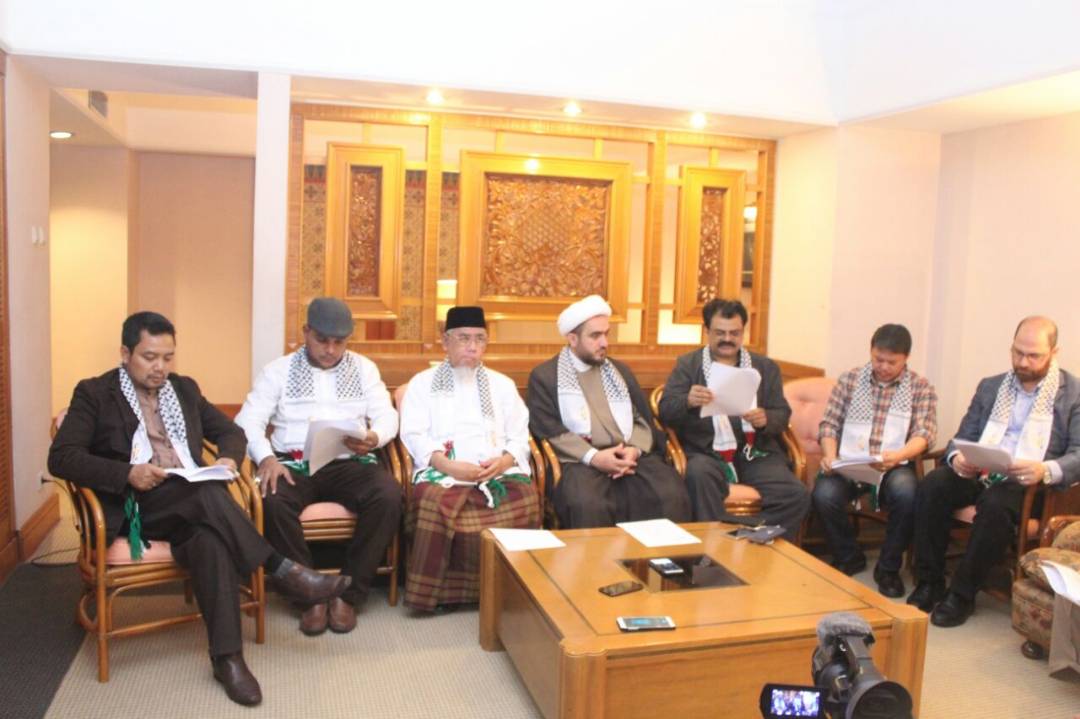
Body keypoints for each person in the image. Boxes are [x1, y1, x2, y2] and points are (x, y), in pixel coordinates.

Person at [48, 312, 350, 706]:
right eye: (149, 357)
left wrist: (227, 458)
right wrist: (128, 473)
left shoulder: (184, 389)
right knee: (207, 497)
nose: (160, 368)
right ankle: (280, 568)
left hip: (193, 506)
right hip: (136, 505)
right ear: (125, 353)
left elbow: (230, 431)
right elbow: (63, 457)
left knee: (211, 539)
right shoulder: (94, 393)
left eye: (167, 357)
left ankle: (228, 659)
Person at [235, 297, 401, 636]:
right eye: (322, 340)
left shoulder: (364, 369)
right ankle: (309, 597)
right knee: (272, 500)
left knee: (388, 495)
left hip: (348, 462)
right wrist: (266, 458)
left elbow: (387, 415)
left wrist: (374, 437)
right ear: (306, 332)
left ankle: (348, 595)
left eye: (339, 342)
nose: (330, 350)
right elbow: (247, 421)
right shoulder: (277, 371)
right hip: (294, 464)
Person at [910, 316, 1080, 626]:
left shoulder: (1073, 394)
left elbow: (1078, 453)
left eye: (1033, 355)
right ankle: (929, 581)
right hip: (983, 472)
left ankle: (961, 594)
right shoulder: (991, 386)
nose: (1023, 362)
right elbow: (961, 438)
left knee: (996, 503)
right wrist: (958, 458)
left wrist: (1045, 469)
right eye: (1018, 352)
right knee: (934, 484)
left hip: (1031, 485)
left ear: (1054, 353)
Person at [398, 306, 540, 611]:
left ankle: (513, 589)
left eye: (480, 339)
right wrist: (447, 465)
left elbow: (519, 435)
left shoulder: (502, 385)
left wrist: (505, 461)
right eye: (464, 338)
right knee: (431, 502)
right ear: (445, 341)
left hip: (495, 472)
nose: (472, 347)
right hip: (444, 472)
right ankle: (439, 595)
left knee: (526, 496)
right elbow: (413, 434)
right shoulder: (422, 384)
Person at [528, 295, 690, 528]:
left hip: (630, 456)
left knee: (671, 495)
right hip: (580, 461)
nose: (604, 342)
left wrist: (634, 450)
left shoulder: (619, 372)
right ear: (572, 339)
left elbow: (641, 420)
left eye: (606, 334)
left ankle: (661, 555)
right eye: (595, 336)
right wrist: (594, 457)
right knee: (587, 504)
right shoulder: (546, 376)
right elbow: (549, 430)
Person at [658, 298, 809, 541]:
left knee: (795, 494)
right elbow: (666, 410)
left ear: (743, 332)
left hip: (755, 452)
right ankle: (714, 550)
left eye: (734, 333)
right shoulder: (688, 365)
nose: (727, 339)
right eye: (720, 333)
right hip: (707, 452)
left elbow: (782, 414)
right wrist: (687, 401)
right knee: (698, 476)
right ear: (706, 331)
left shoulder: (764, 367)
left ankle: (749, 539)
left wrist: (765, 418)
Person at [812, 324, 937, 597]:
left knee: (907, 493)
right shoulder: (850, 380)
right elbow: (829, 425)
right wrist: (830, 455)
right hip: (850, 460)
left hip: (893, 464)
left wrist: (899, 456)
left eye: (892, 362)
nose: (883, 367)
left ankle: (888, 569)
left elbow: (925, 434)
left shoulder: (920, 387)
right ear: (871, 351)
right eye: (878, 359)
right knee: (823, 494)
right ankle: (848, 556)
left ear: (906, 358)